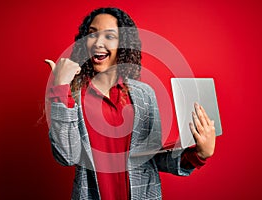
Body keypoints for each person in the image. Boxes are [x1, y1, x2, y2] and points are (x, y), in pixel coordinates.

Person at [45, 7, 216, 200]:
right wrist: (60, 86)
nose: (98, 43)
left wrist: (198, 154)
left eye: (109, 36)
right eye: (92, 34)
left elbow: (153, 157)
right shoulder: (70, 97)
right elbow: (67, 156)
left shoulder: (145, 95)